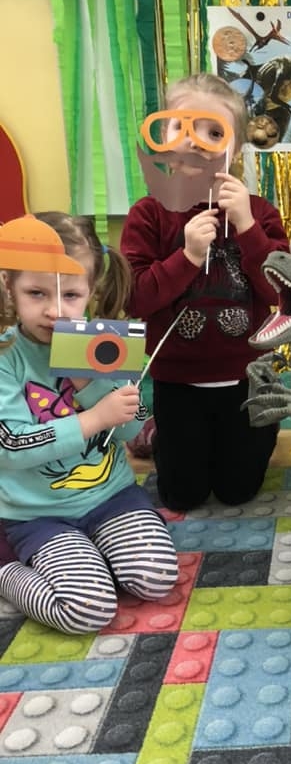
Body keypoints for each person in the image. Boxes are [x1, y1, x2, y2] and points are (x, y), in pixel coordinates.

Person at [0, 212, 178, 634]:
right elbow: (10, 448)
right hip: (36, 514)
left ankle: (92, 552)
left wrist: (92, 384)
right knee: (87, 610)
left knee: (156, 579)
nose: (54, 310)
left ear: (91, 291)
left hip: (112, 496)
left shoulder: (103, 342)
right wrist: (94, 418)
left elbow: (133, 430)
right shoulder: (7, 356)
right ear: (10, 287)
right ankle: (6, 569)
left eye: (71, 294)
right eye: (36, 293)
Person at [121, 73, 290, 511]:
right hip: (177, 382)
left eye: (213, 132)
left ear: (236, 148)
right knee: (182, 497)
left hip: (247, 379)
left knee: (238, 492)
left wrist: (248, 228)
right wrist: (188, 257)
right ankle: (159, 435)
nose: (195, 143)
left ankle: (255, 433)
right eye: (181, 127)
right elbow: (135, 298)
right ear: (161, 135)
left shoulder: (260, 213)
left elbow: (281, 294)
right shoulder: (148, 215)